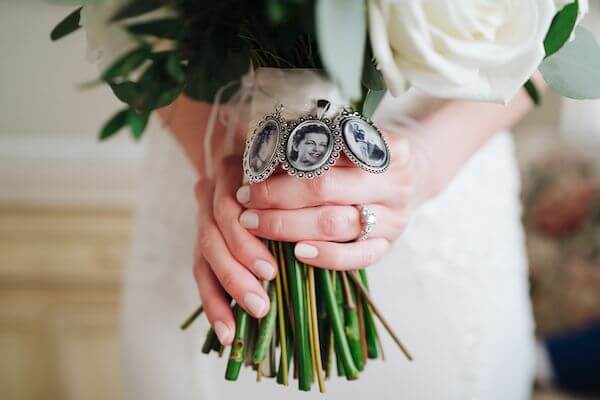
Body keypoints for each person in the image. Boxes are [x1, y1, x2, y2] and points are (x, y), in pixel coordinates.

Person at [120, 68, 546, 400]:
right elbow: (121, 26)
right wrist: (220, 157)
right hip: (217, 195)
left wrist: (427, 160)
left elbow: (549, 33)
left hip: (446, 213)